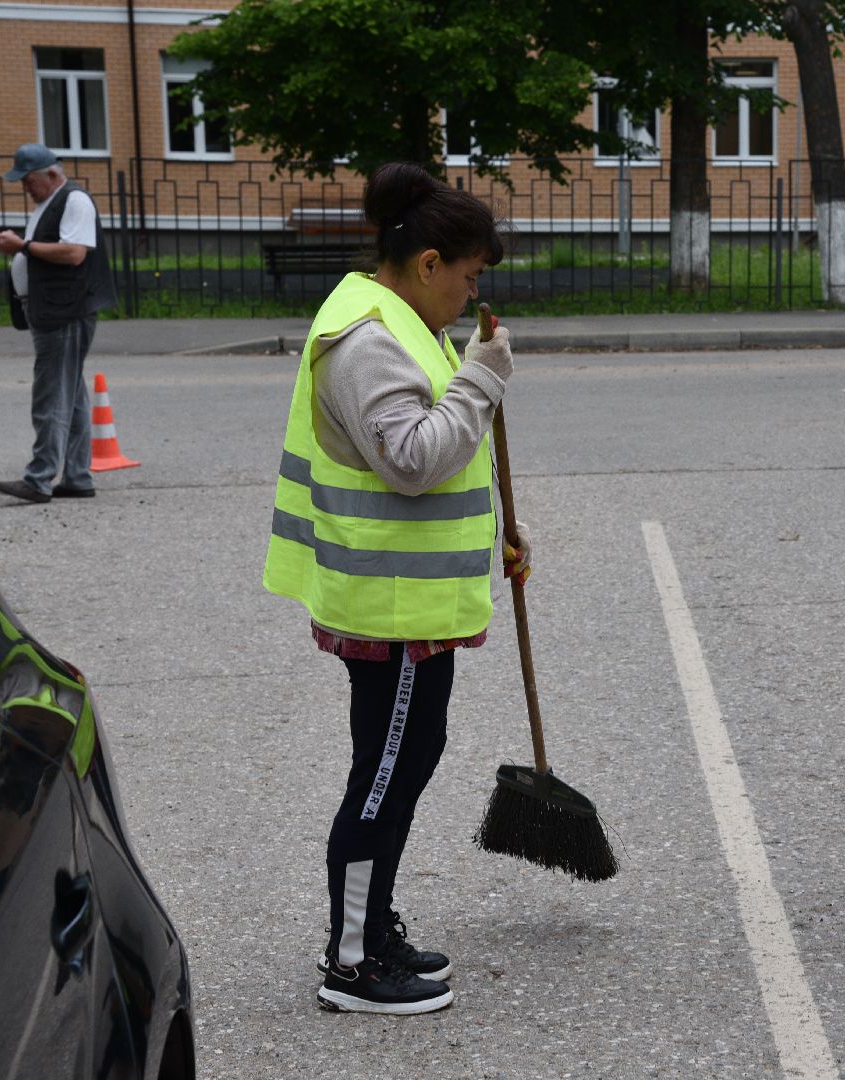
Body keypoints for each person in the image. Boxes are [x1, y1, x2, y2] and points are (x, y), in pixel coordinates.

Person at [262, 162, 531, 1015]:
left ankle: (373, 927)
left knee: (404, 765)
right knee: (382, 778)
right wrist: (485, 378)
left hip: (413, 604)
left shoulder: (405, 323)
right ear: (427, 264)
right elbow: (411, 460)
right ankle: (351, 965)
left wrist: (498, 536)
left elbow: (441, 453)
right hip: (389, 609)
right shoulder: (367, 337)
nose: (470, 290)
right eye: (469, 274)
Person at [0, 143, 117, 504]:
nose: (26, 189)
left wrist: (22, 247)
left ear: (52, 174)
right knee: (69, 396)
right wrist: (21, 247)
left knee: (50, 396)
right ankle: (77, 476)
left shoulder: (74, 200)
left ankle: (39, 478)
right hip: (52, 310)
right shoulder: (49, 202)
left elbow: (74, 253)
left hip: (65, 313)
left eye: (28, 181)